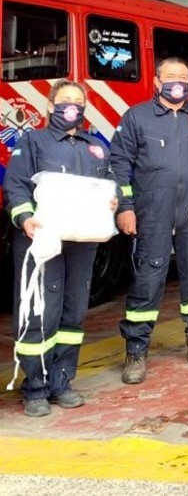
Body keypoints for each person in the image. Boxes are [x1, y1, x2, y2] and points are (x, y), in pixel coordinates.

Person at [111, 57, 188, 384]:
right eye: (170, 77)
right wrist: (124, 206)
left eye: (183, 77)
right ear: (156, 81)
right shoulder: (136, 117)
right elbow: (120, 163)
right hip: (151, 210)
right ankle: (136, 349)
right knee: (147, 279)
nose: (177, 82)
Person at [4, 79, 116, 416]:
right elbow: (16, 186)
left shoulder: (95, 146)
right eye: (65, 100)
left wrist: (112, 202)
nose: (72, 106)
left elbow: (110, 185)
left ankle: (61, 382)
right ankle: (34, 387)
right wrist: (24, 218)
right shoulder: (33, 141)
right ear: (51, 106)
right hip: (42, 238)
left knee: (73, 312)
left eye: (78, 101)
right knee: (40, 312)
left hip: (82, 241)